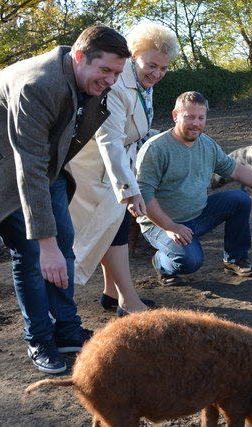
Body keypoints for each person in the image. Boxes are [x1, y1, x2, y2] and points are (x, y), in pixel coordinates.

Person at [0, 26, 131, 374]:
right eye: (106, 71)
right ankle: (39, 338)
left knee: (64, 240)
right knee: (33, 251)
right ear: (79, 57)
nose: (112, 80)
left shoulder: (87, 79)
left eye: (117, 73)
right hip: (1, 166)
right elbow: (28, 166)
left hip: (39, 162)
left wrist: (53, 242)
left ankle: (66, 330)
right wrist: (44, 242)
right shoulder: (38, 85)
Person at [66, 23, 180, 317]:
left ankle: (112, 293)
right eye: (151, 65)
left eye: (164, 68)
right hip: (95, 166)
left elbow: (134, 130)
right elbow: (110, 139)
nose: (157, 73)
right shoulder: (117, 84)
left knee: (112, 227)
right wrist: (128, 189)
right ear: (133, 55)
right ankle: (127, 301)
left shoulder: (142, 83)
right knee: (107, 227)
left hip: (116, 164)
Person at [136, 91, 252, 285]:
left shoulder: (207, 144)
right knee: (190, 262)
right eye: (190, 117)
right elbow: (144, 195)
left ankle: (235, 259)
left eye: (201, 118)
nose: (196, 123)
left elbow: (236, 170)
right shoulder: (155, 149)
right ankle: (161, 262)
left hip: (198, 214)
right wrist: (170, 226)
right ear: (175, 116)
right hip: (161, 223)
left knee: (240, 199)